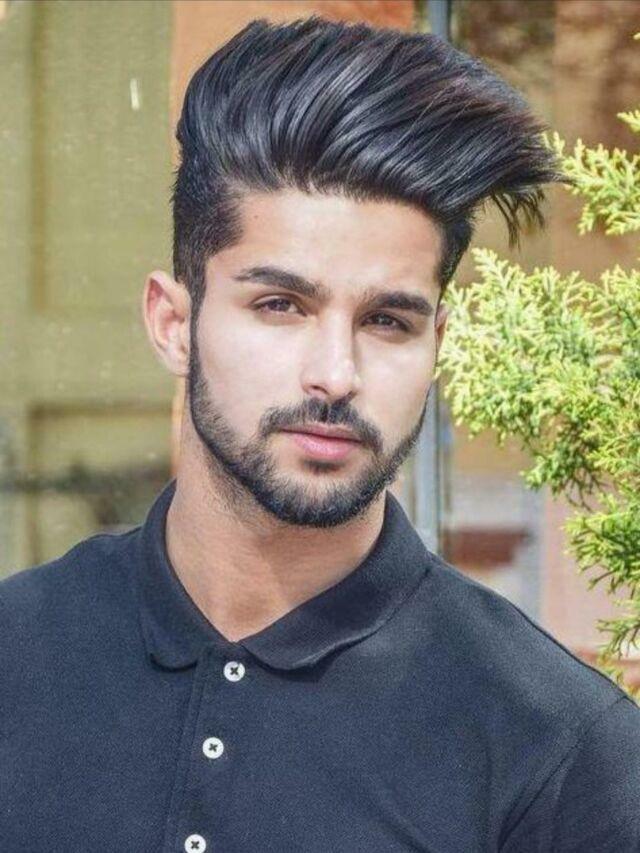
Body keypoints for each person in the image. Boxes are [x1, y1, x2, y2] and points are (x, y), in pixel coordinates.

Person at [1, 15, 639, 853]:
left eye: (388, 321)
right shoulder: (17, 655)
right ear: (173, 323)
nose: (336, 374)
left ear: (437, 344)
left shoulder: (561, 752)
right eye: (280, 305)